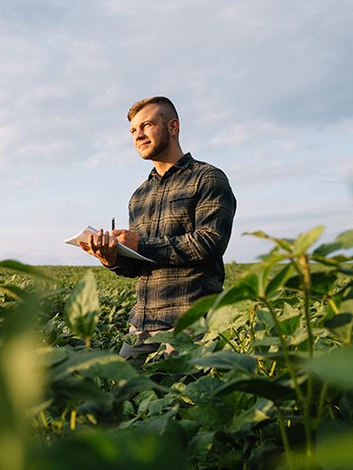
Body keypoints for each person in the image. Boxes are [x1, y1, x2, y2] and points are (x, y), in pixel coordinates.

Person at [79, 96, 237, 364]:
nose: (138, 135)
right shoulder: (139, 195)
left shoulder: (208, 177)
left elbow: (210, 242)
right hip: (142, 325)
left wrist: (141, 244)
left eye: (147, 125)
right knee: (125, 397)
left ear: (173, 127)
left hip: (191, 322)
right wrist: (112, 258)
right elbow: (141, 266)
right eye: (133, 130)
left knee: (185, 401)